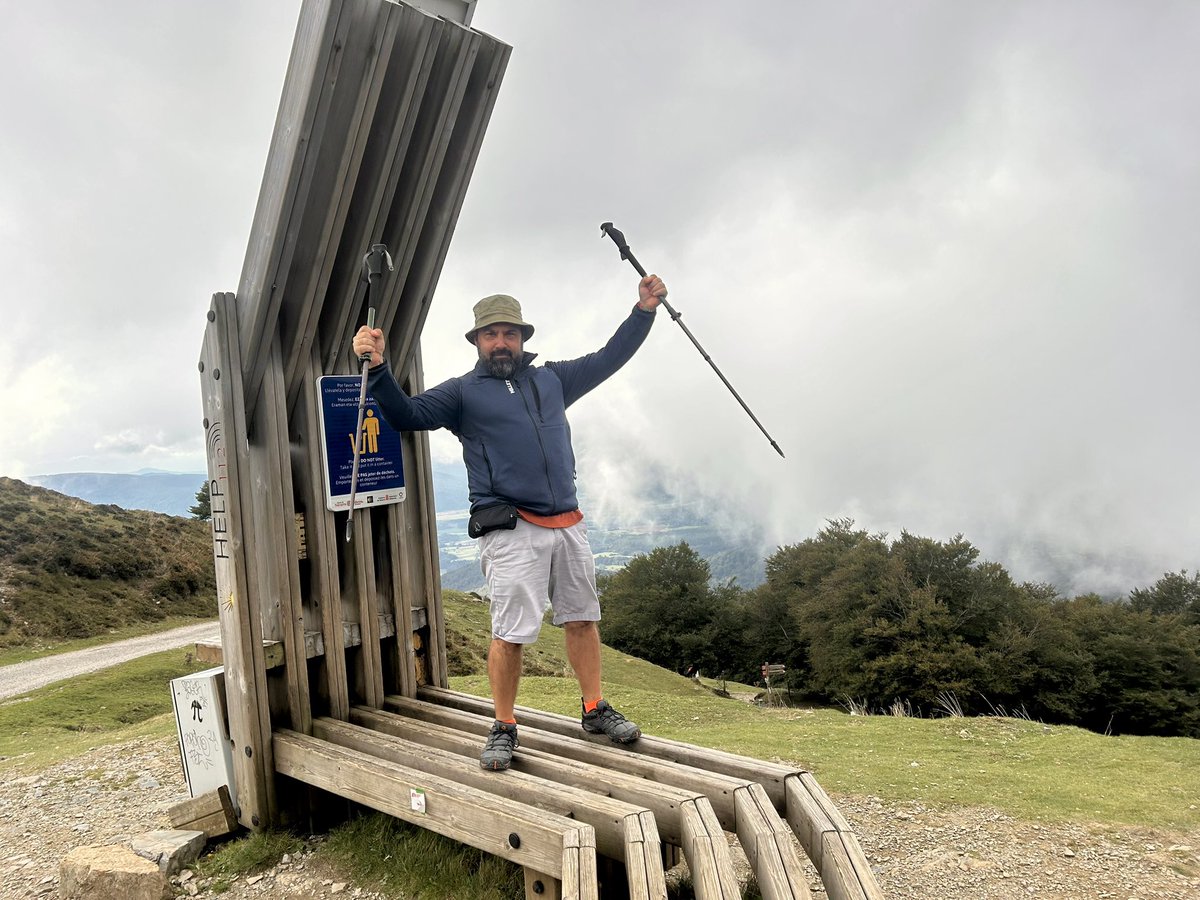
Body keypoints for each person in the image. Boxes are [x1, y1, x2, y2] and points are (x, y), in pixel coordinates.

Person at [352, 274, 667, 770]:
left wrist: (643, 310)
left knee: (583, 619)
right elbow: (406, 414)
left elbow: (611, 356)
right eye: (491, 334)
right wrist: (381, 367)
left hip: (568, 521)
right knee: (511, 633)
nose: (502, 342)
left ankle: (593, 709)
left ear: (523, 339)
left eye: (510, 333)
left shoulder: (553, 379)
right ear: (477, 341)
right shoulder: (462, 394)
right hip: (511, 525)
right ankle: (503, 726)